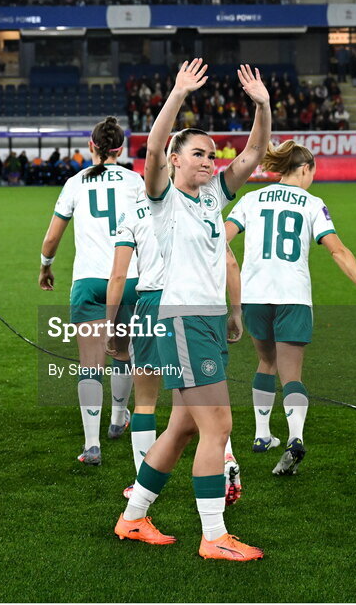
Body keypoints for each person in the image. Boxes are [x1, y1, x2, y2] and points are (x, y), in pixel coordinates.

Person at [114, 60, 270, 561]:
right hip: (181, 317)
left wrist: (262, 105)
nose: (209, 160)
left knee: (183, 424)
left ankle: (133, 517)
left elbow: (253, 153)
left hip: (200, 316)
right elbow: (155, 147)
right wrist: (177, 93)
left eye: (210, 154)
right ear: (177, 161)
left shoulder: (211, 198)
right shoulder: (162, 198)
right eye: (198, 154)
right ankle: (213, 536)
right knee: (218, 425)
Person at [225, 141, 356, 475]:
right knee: (292, 375)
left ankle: (262, 436)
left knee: (265, 361)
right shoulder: (312, 203)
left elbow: (220, 240)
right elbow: (338, 251)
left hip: (254, 294)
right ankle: (295, 437)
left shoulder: (250, 198)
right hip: (294, 295)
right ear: (305, 169)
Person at [39, 117, 142, 466]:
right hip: (128, 278)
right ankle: (117, 419)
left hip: (88, 281)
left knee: (89, 364)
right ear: (121, 148)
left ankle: (92, 444)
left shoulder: (75, 182)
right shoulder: (136, 181)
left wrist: (45, 265)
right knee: (122, 351)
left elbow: (52, 238)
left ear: (91, 147)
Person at [105, 188, 164, 498]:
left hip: (152, 301)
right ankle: (224, 465)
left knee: (145, 401)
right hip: (196, 305)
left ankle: (143, 483)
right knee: (202, 401)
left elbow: (118, 276)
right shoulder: (198, 204)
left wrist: (110, 325)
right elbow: (227, 261)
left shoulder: (133, 211)